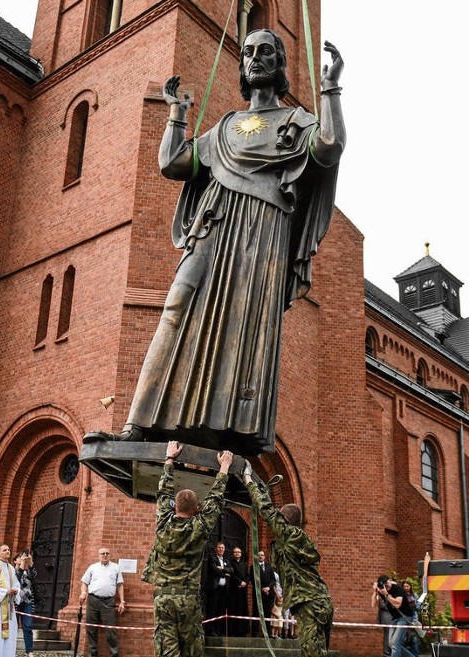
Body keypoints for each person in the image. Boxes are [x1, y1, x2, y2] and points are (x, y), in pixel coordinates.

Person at [85, 31, 344, 456]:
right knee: (176, 306)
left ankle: (229, 429)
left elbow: (330, 148)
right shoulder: (224, 127)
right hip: (214, 224)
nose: (255, 58)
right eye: (247, 53)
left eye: (265, 52)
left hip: (262, 233)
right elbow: (174, 163)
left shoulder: (299, 124)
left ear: (279, 64)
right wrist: (178, 115)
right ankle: (140, 425)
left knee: (245, 324)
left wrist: (330, 88)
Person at [242, 463, 388, 657]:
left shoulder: (293, 536)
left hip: (310, 605)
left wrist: (249, 480)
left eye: (279, 523)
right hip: (314, 604)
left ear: (286, 523)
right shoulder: (289, 544)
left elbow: (269, 514)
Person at [142, 442, 233, 657]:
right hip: (189, 603)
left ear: (173, 509)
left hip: (163, 601)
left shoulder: (163, 524)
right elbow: (215, 502)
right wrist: (223, 467)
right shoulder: (199, 526)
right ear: (194, 509)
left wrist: (170, 458)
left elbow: (162, 494)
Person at [79, 547, 125, 657]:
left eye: (107, 553)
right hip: (93, 600)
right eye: (102, 553)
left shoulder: (115, 567)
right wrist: (83, 593)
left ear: (110, 555)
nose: (104, 555)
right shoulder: (92, 567)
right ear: (98, 555)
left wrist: (122, 601)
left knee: (110, 630)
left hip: (109, 601)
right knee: (91, 629)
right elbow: (84, 582)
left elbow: (120, 585)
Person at [374, 575, 422, 657]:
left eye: (387, 584)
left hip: (405, 618)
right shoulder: (382, 591)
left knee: (395, 643)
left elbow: (397, 604)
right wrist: (375, 591)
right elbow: (373, 604)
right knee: (392, 643)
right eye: (384, 586)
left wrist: (386, 595)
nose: (386, 586)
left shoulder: (398, 589)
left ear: (389, 582)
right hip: (395, 619)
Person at [15, 550, 38, 657]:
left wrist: (31, 562)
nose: (22, 558)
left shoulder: (28, 572)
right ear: (15, 560)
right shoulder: (11, 570)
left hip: (27, 602)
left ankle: (30, 652)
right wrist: (22, 565)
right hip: (15, 603)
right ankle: (9, 652)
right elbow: (17, 578)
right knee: (13, 627)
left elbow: (34, 576)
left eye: (23, 557)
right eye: (20, 557)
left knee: (28, 627)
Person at [204, 541, 231, 636]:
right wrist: (224, 572)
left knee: (221, 610)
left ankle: (218, 630)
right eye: (219, 547)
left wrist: (222, 568)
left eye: (222, 548)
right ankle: (210, 630)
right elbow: (214, 570)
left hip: (224, 590)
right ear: (216, 549)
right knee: (212, 609)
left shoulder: (226, 560)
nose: (221, 549)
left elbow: (231, 570)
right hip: (215, 589)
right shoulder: (213, 558)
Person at [251, 549, 276, 637]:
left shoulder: (269, 567)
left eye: (262, 555)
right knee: (256, 612)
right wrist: (262, 589)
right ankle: (255, 632)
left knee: (267, 613)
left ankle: (267, 633)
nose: (260, 556)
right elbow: (253, 580)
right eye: (259, 555)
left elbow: (273, 579)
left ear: (264, 557)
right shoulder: (253, 567)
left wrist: (268, 587)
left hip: (268, 594)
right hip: (258, 593)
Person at [228, 546, 250, 637]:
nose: (237, 554)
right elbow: (231, 575)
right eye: (235, 552)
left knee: (243, 609)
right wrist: (240, 582)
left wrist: (245, 582)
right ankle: (233, 630)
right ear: (233, 554)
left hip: (243, 590)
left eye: (239, 552)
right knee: (234, 609)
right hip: (234, 590)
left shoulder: (244, 564)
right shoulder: (230, 563)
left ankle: (243, 630)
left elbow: (248, 575)